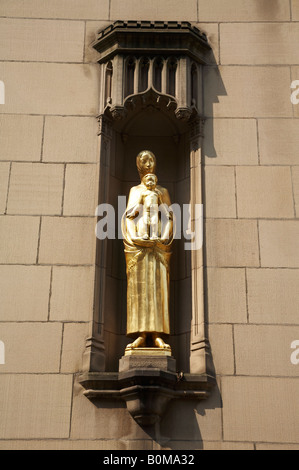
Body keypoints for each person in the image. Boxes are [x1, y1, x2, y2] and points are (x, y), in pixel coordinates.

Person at [122, 151, 173, 351]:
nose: (148, 164)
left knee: (158, 288)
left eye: (152, 159)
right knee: (139, 290)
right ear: (138, 166)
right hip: (139, 245)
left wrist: (164, 238)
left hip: (158, 244)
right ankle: (142, 334)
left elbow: (169, 216)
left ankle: (158, 334)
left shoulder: (162, 191)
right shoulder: (135, 190)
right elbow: (128, 216)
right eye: (144, 161)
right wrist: (134, 237)